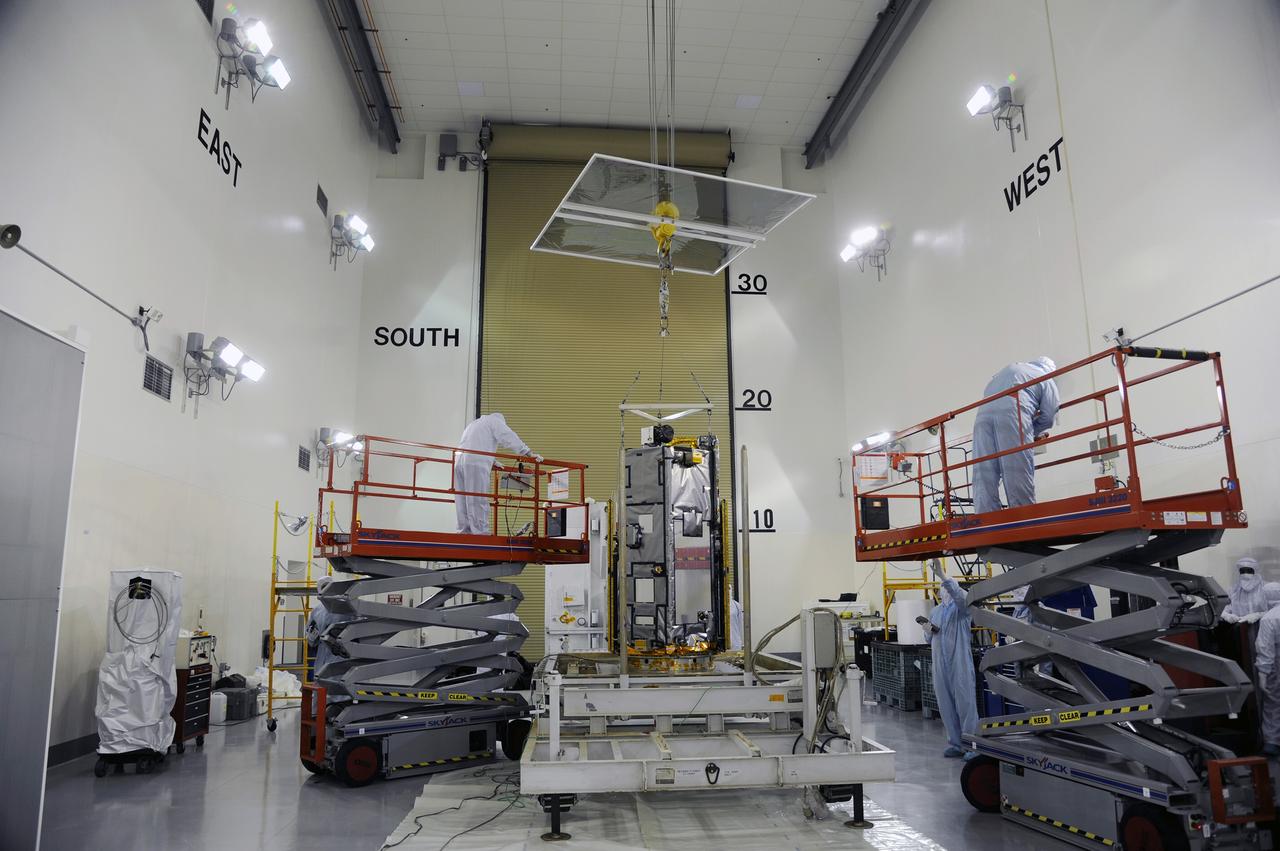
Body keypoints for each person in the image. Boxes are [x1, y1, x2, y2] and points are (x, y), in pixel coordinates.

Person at [972, 357, 1060, 514]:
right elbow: (1049, 415)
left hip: (982, 416)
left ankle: (985, 517)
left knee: (984, 469)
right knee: (1016, 466)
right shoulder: (1045, 377)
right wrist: (1032, 432)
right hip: (1011, 410)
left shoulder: (1007, 372)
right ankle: (1024, 515)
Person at [453, 413, 541, 535]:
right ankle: (480, 533)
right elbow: (508, 436)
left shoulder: (474, 424)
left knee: (462, 499)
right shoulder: (495, 421)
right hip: (476, 462)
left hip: (458, 460)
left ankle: (464, 531)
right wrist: (528, 452)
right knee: (477, 497)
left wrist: (492, 461)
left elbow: (475, 444)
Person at [927, 559, 980, 759]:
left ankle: (972, 745)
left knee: (966, 703)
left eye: (948, 587)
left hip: (959, 662)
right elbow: (929, 638)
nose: (945, 591)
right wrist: (927, 630)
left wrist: (943, 576)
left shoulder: (962, 609)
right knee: (945, 704)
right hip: (939, 663)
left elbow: (961, 598)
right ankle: (956, 743)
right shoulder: (935, 611)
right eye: (943, 588)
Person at [1252, 582, 1280, 756]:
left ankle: (1272, 742)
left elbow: (1265, 647)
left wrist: (1263, 673)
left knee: (1273, 703)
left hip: (1276, 664)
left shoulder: (1269, 618)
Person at [306, 576, 351, 682]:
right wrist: (313, 635)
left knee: (338, 684)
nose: (326, 590)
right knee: (322, 683)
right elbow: (311, 639)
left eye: (329, 587)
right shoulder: (317, 611)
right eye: (324, 587)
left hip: (341, 655)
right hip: (322, 656)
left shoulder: (346, 607)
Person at [1222, 557, 1269, 623]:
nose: (1245, 574)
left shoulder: (1266, 588)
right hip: (1240, 626)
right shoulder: (1234, 590)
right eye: (1242, 571)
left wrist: (1258, 615)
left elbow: (1274, 610)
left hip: (1263, 625)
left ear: (1256, 571)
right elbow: (1226, 608)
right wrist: (1227, 615)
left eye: (1249, 571)